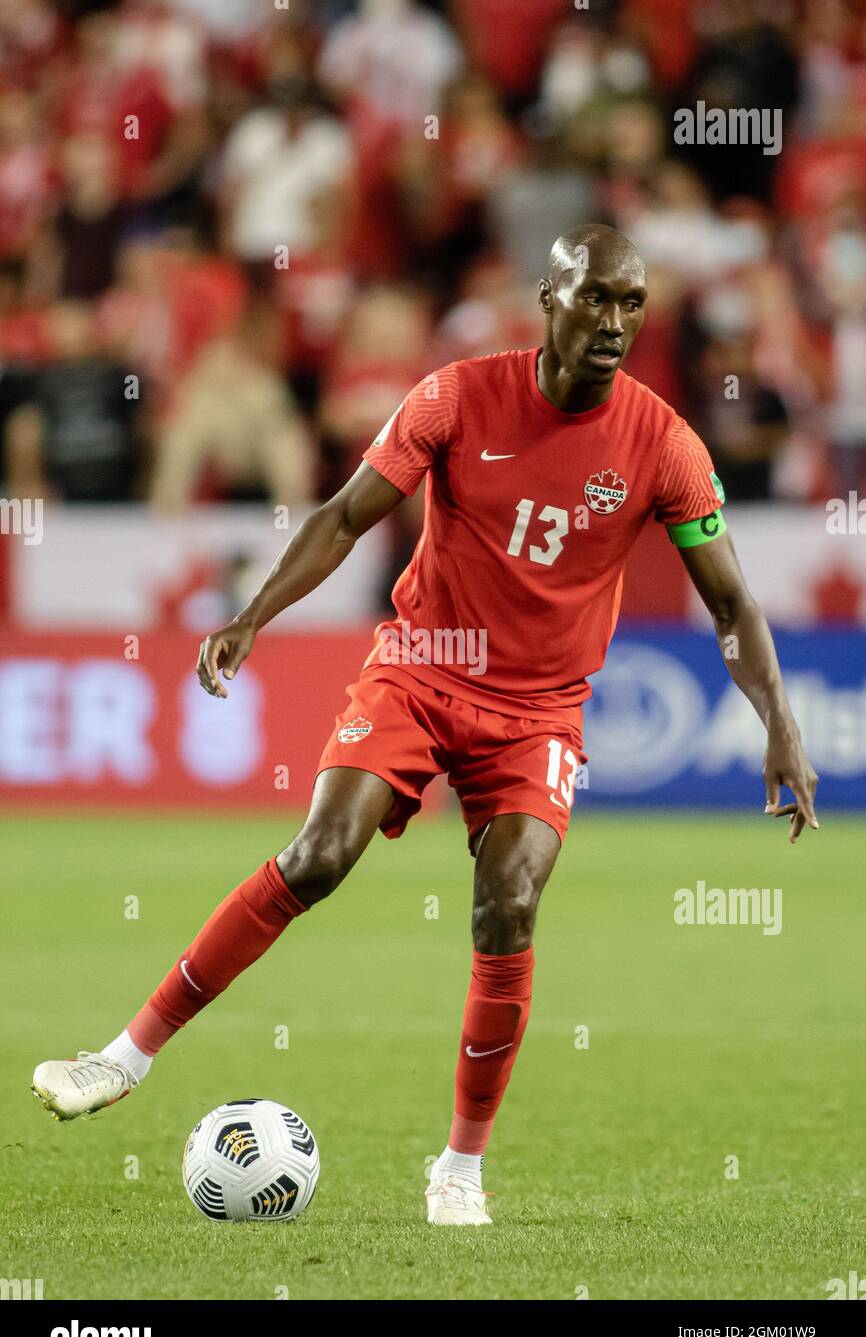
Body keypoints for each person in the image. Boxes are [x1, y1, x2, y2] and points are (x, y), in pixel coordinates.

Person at [32, 225, 819, 1226]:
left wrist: (778, 723)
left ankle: (459, 1167)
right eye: (595, 299)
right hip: (419, 666)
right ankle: (122, 1055)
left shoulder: (662, 442)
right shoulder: (454, 396)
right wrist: (252, 616)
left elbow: (730, 604)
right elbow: (344, 516)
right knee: (319, 853)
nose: (614, 322)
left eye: (630, 304)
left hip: (537, 710)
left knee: (510, 902)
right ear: (548, 297)